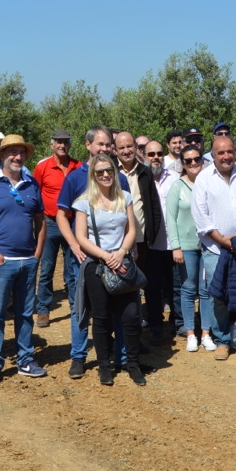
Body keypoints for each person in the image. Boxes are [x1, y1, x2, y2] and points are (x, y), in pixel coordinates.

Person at [0, 134, 47, 384]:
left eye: (21, 152)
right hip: (1, 263)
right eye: (12, 152)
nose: (17, 156)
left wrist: (37, 253)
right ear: (2, 156)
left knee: (25, 313)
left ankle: (25, 358)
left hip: (27, 261)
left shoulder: (32, 184)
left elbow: (40, 222)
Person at [56, 127, 130, 379]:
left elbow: (126, 219)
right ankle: (78, 356)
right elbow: (60, 215)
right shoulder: (75, 178)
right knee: (81, 307)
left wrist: (129, 250)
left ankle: (120, 355)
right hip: (84, 256)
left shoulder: (119, 177)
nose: (105, 148)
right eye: (100, 144)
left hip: (117, 256)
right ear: (88, 146)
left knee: (119, 304)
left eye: (108, 144)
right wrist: (74, 243)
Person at [72, 153, 146, 386]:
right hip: (97, 266)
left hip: (122, 261)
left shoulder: (125, 197)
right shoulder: (84, 202)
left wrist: (122, 252)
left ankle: (132, 364)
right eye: (100, 172)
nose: (105, 175)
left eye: (109, 171)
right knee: (102, 318)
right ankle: (105, 366)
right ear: (93, 175)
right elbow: (81, 237)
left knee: (131, 315)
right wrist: (105, 256)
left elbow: (132, 230)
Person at [191, 134, 236, 360]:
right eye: (220, 153)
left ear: (235, 152)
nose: (226, 156)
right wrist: (224, 241)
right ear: (213, 155)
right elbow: (201, 216)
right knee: (219, 296)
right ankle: (222, 339)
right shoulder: (203, 179)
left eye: (229, 151)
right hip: (215, 249)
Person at [114, 131, 167, 344]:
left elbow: (154, 206)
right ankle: (127, 332)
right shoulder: (109, 172)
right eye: (122, 148)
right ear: (115, 150)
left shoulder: (144, 172)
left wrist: (152, 237)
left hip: (144, 241)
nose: (126, 151)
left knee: (151, 285)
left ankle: (155, 328)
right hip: (118, 243)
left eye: (130, 147)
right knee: (124, 287)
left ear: (136, 149)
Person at [167, 143, 216, 353]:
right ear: (182, 164)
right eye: (188, 160)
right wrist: (175, 247)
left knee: (206, 291)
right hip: (186, 247)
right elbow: (171, 219)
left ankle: (206, 333)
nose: (193, 163)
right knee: (188, 289)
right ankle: (190, 333)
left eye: (197, 159)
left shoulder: (209, 184)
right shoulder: (177, 187)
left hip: (209, 244)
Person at [32, 129, 82, 329]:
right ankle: (43, 309)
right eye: (58, 142)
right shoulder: (43, 167)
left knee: (72, 269)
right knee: (46, 268)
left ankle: (75, 307)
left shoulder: (78, 166)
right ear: (52, 145)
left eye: (66, 142)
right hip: (49, 223)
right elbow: (35, 194)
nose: (62, 145)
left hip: (72, 223)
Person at [144, 139, 178, 343]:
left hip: (174, 244)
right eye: (151, 154)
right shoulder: (142, 178)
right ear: (145, 156)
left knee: (175, 286)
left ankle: (177, 324)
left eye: (158, 154)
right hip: (151, 245)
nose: (155, 157)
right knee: (152, 287)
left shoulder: (175, 177)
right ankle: (155, 326)